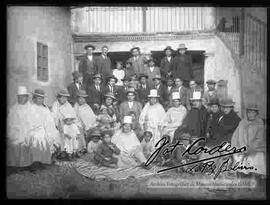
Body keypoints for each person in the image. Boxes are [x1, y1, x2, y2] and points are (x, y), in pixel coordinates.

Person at [231, 104, 266, 180]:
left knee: (254, 158)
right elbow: (237, 136)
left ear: (256, 114)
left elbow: (259, 139)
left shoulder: (259, 123)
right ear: (246, 113)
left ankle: (253, 177)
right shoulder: (242, 122)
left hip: (255, 147)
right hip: (242, 146)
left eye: (253, 112)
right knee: (238, 156)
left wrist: (249, 149)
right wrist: (241, 148)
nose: (251, 114)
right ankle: (240, 177)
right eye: (249, 112)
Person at [27, 89, 61, 165]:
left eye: (42, 98)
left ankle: (48, 158)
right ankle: (35, 161)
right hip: (33, 129)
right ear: (34, 98)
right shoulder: (30, 107)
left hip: (44, 128)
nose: (40, 100)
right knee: (38, 137)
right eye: (39, 98)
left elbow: (49, 121)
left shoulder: (45, 109)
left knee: (53, 135)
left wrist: (50, 131)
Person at [7, 86, 33, 167]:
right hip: (16, 133)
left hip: (27, 133)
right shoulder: (13, 108)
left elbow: (33, 123)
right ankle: (15, 166)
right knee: (15, 146)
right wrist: (12, 133)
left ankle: (26, 166)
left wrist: (28, 135)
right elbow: (10, 122)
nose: (20, 98)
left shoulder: (31, 108)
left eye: (23, 97)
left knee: (26, 145)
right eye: (19, 97)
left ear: (27, 97)